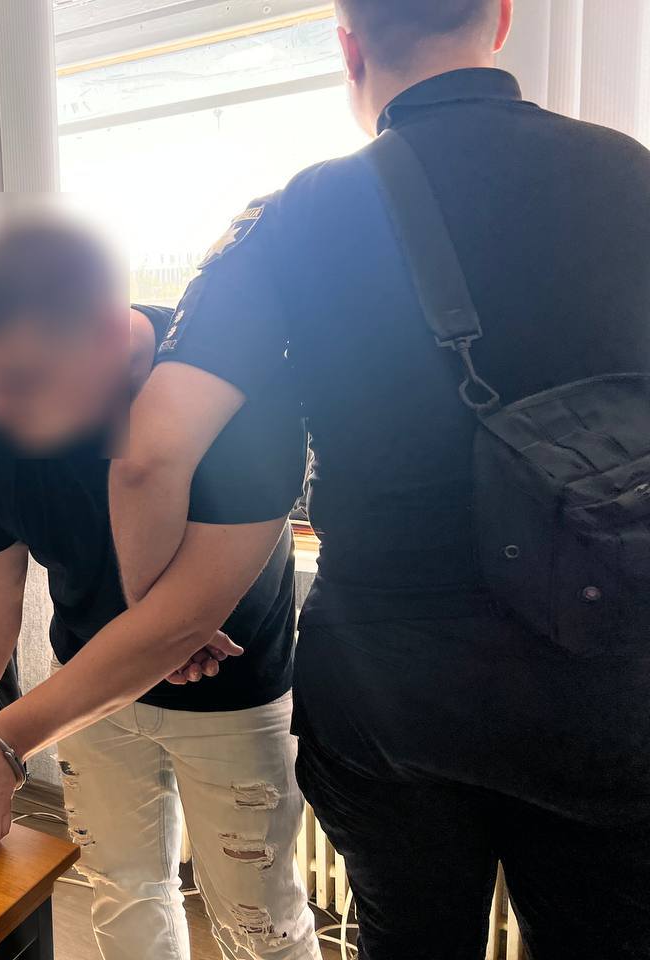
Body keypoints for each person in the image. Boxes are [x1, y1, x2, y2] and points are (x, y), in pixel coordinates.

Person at [107, 1, 650, 956]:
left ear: (350, 47)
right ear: (502, 19)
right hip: (604, 680)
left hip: (389, 688)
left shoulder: (298, 214)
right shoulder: (632, 176)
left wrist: (166, 625)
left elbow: (152, 451)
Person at [0, 220, 318, 959]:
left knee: (260, 921)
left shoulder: (232, 389)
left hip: (234, 696)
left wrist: (4, 740)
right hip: (85, 689)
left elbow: (178, 626)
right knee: (122, 894)